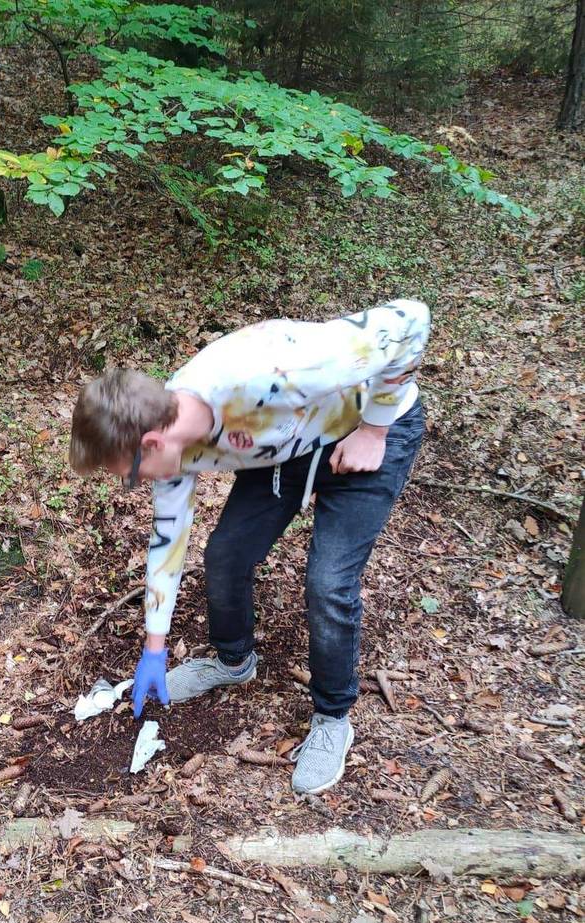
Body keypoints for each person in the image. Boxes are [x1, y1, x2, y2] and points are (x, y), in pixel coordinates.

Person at [69, 299, 430, 794]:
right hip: (285, 451)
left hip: (365, 438)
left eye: (130, 475)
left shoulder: (270, 373)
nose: (136, 485)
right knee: (225, 556)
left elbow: (411, 320)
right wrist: (155, 646)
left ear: (151, 443)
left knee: (328, 582)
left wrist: (375, 428)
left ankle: (333, 717)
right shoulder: (174, 449)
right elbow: (168, 540)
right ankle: (233, 662)